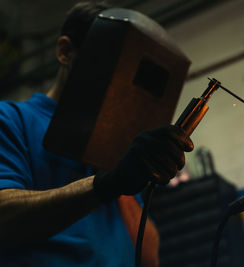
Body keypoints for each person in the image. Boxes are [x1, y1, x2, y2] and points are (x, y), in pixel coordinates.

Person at [0, 2, 193, 266]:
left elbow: (148, 255)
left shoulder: (115, 142)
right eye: (111, 63)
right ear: (66, 52)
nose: (122, 81)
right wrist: (105, 184)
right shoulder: (11, 120)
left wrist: (134, 171)